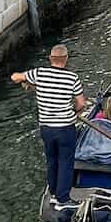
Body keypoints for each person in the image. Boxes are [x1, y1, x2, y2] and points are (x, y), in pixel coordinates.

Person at [11, 44, 85, 208]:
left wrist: (25, 81)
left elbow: (15, 77)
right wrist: (74, 112)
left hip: (46, 129)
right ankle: (63, 199)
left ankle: (53, 193)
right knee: (65, 162)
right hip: (65, 127)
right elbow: (81, 103)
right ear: (66, 59)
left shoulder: (39, 73)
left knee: (52, 160)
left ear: (51, 58)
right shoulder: (72, 78)